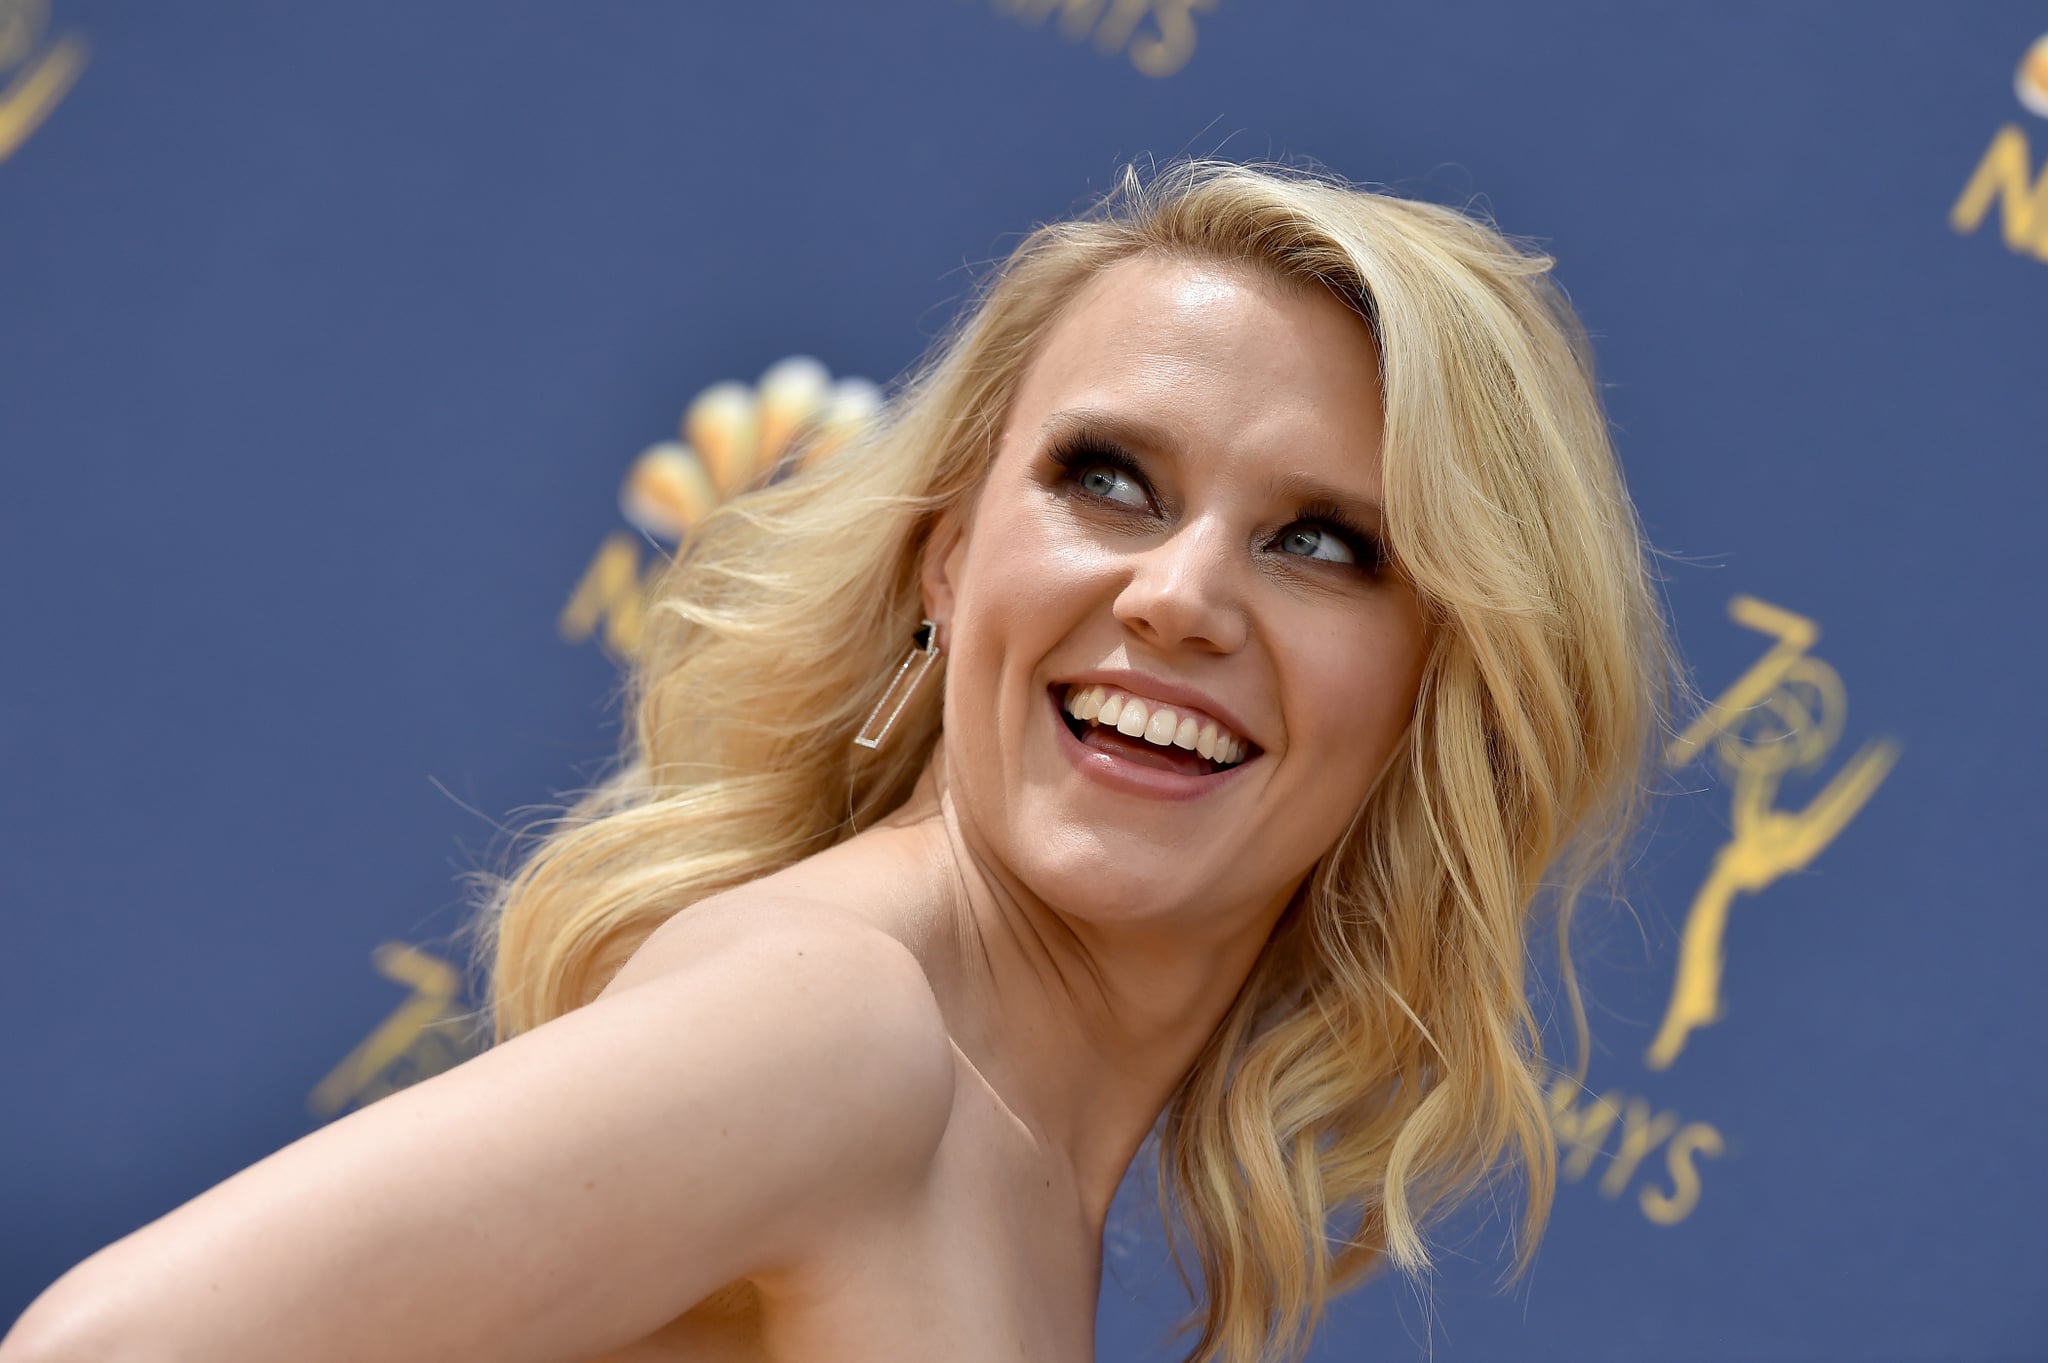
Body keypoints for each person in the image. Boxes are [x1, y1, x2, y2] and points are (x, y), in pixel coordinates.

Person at [1, 158, 1679, 1363]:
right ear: (947, 561)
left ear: (1436, 689)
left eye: (1323, 545)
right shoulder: (841, 1035)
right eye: (1109, 480)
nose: (1178, 596)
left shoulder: (1012, 1146)